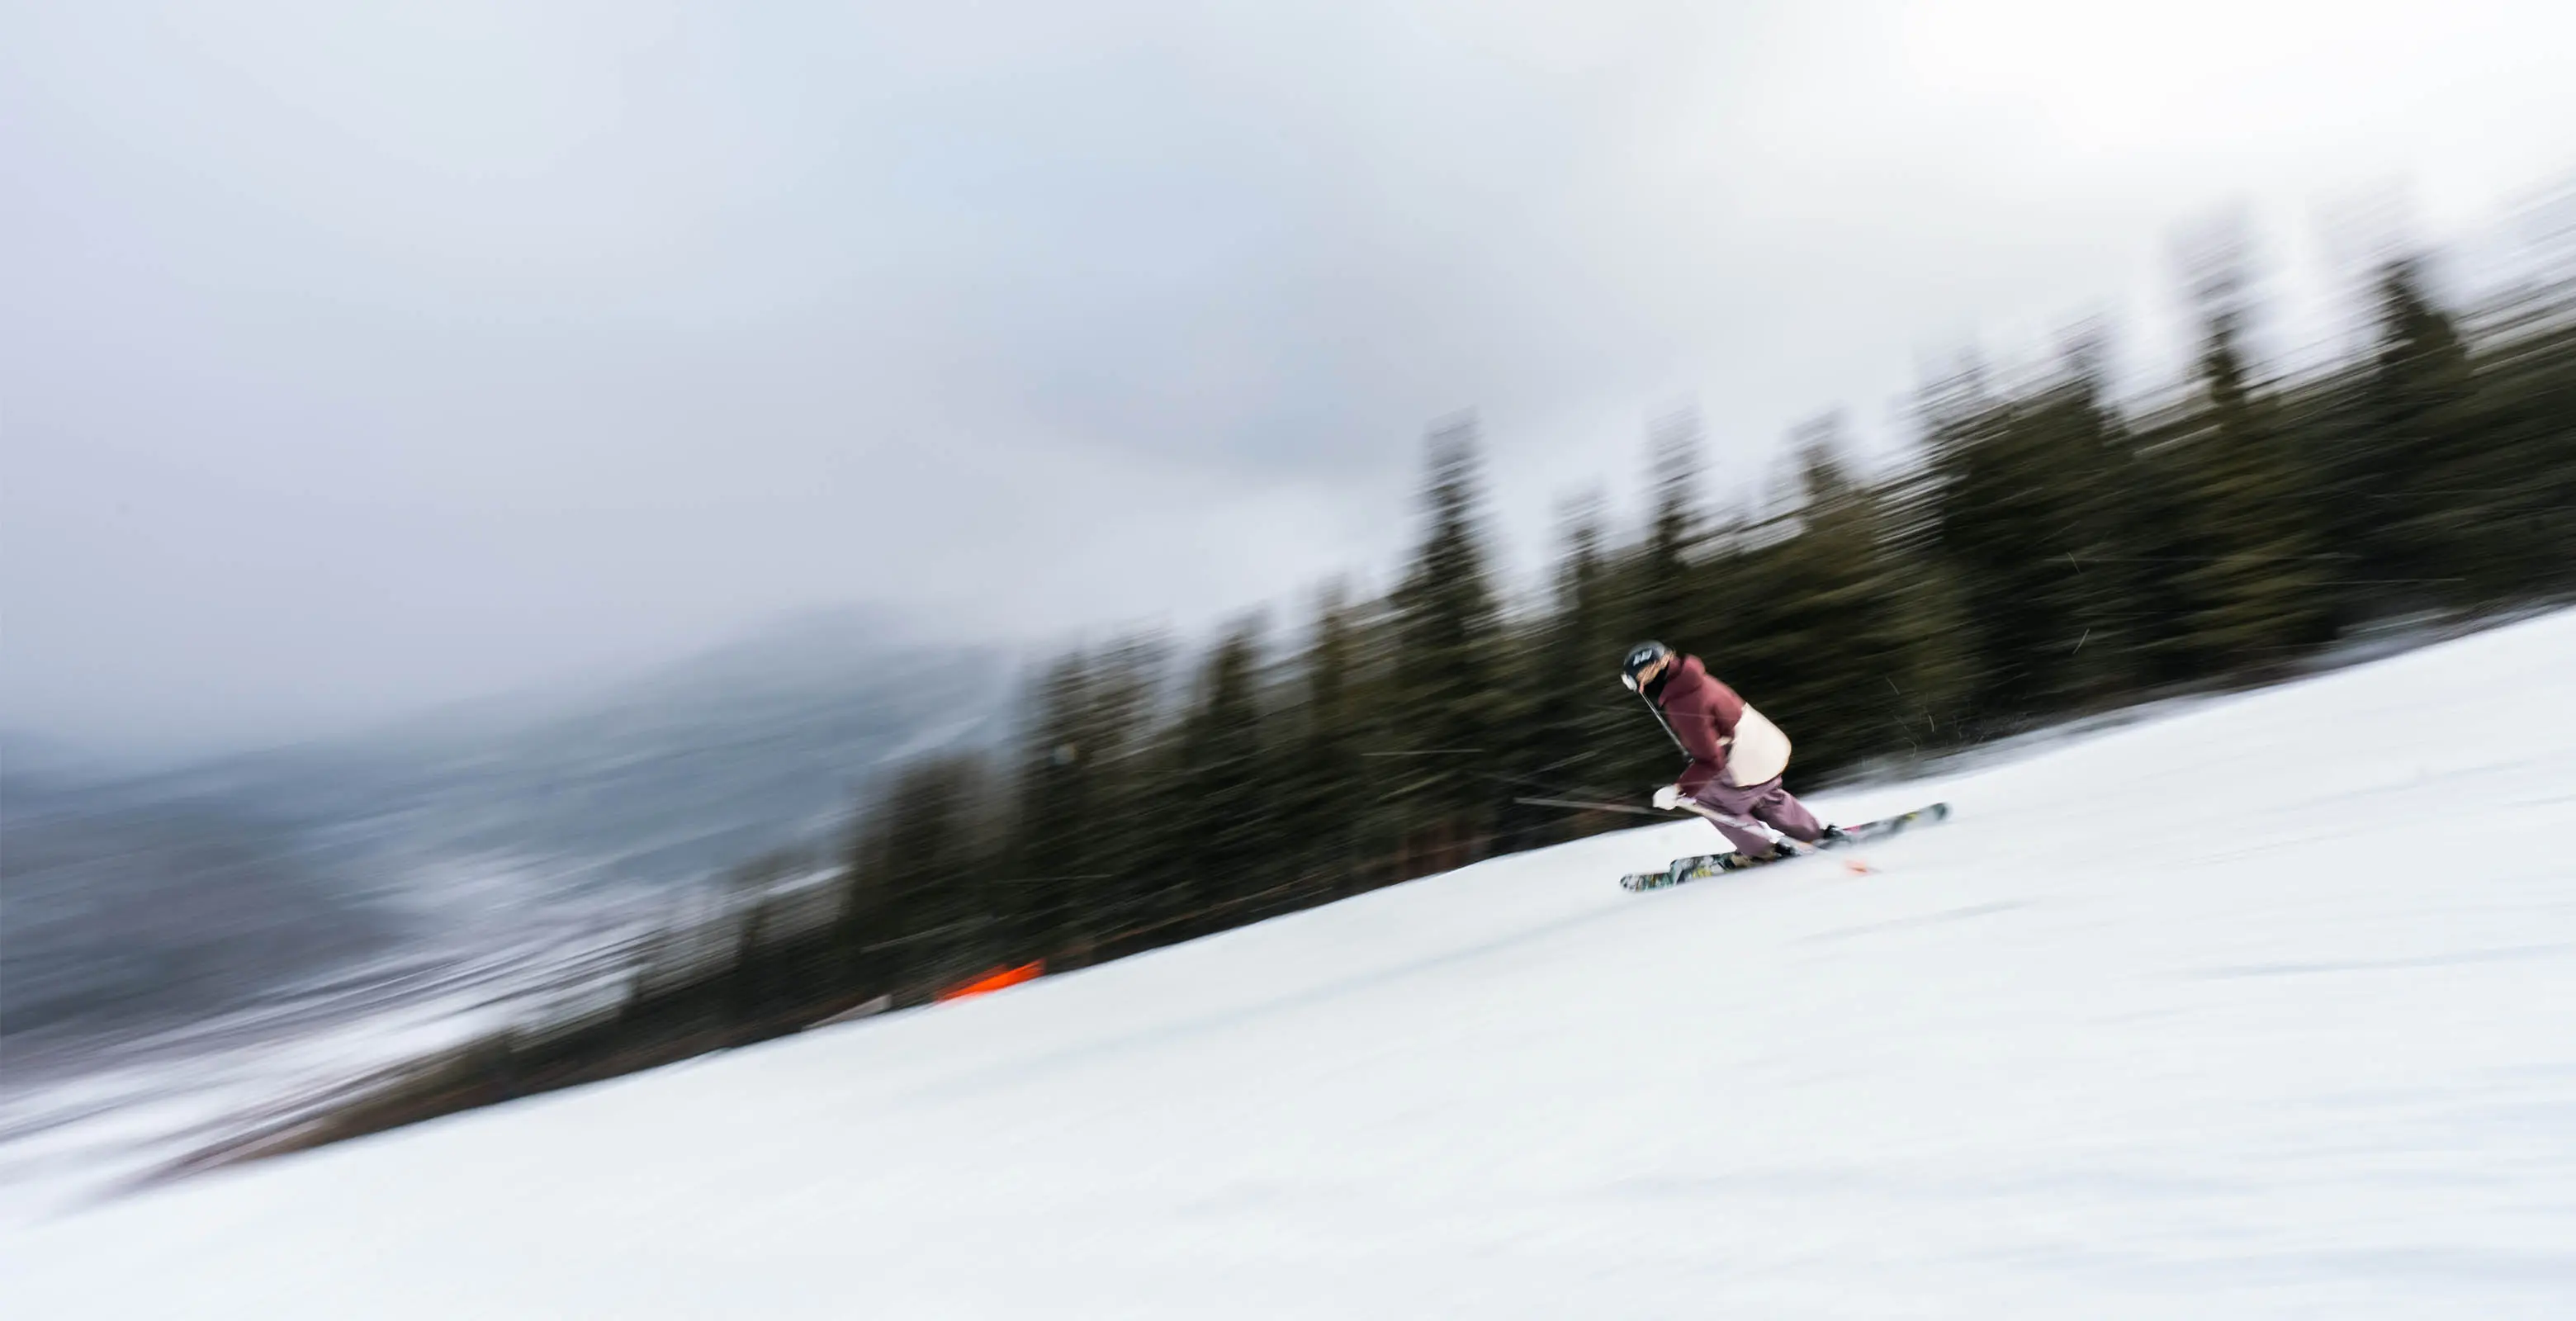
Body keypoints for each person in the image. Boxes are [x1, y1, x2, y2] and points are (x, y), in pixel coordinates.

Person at [1619, 640, 1844, 861]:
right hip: (1766, 746)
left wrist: (1678, 790)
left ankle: (1761, 849)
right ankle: (1812, 832)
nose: (1641, 690)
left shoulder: (1682, 702)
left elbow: (1711, 762)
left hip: (1745, 759)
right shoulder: (1693, 677)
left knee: (1706, 796)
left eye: (1637, 682)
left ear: (1649, 673)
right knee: (1763, 795)